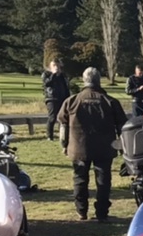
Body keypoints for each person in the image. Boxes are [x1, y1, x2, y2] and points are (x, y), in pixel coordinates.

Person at [57, 66, 126, 222]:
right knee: (103, 181)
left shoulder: (71, 101)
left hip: (79, 147)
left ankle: (81, 211)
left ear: (84, 80)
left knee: (80, 179)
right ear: (99, 81)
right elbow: (122, 127)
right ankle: (102, 213)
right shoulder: (110, 101)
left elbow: (63, 126)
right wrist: (122, 147)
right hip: (104, 148)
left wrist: (64, 145)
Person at [41, 59, 70, 141]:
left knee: (63, 117)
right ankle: (49, 136)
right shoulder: (46, 74)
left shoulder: (62, 76)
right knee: (52, 117)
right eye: (54, 65)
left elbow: (66, 87)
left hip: (62, 98)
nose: (56, 67)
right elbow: (47, 83)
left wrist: (68, 98)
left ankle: (63, 135)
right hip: (51, 98)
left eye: (57, 65)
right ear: (50, 66)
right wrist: (53, 74)